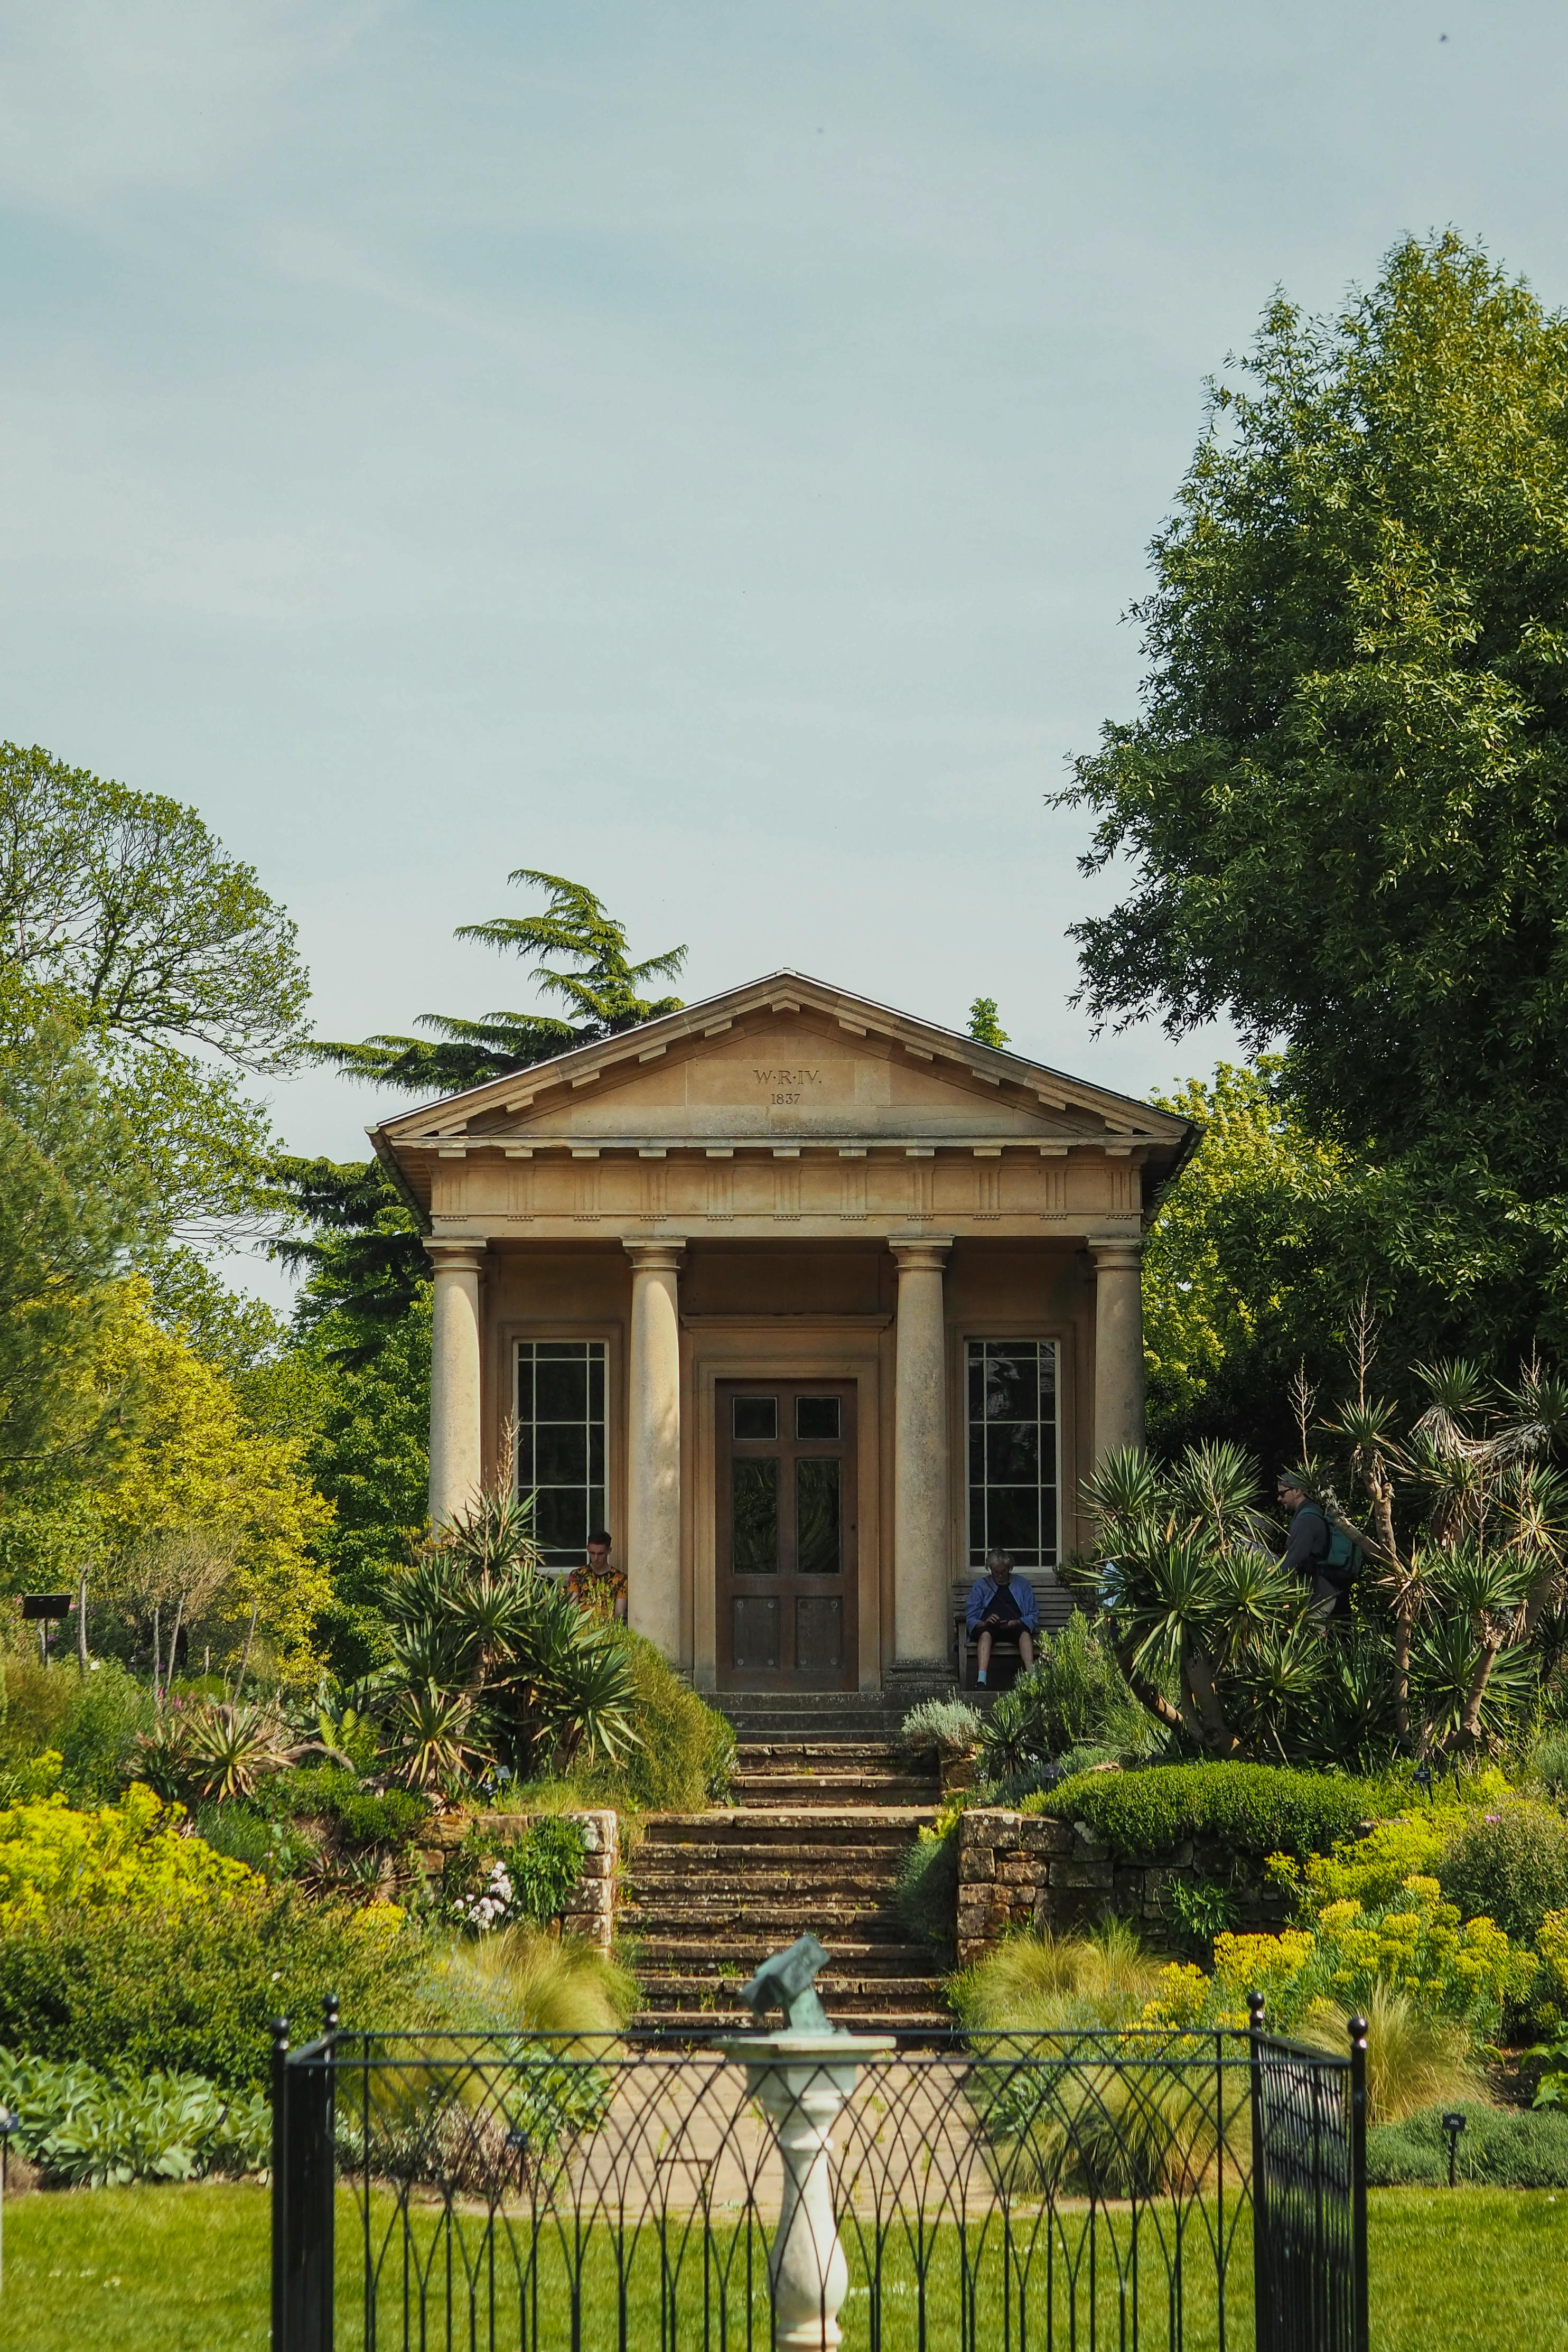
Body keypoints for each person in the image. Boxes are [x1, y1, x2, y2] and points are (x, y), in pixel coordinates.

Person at [1276, 1477, 1348, 1623]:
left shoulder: (1305, 1521)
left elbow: (1292, 1563)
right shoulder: (1315, 1513)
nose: (1279, 1498)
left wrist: (1268, 1585)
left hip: (1318, 1597)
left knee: (1306, 1641)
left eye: (1282, 1493)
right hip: (1325, 1593)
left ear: (1297, 1491)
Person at [965, 1547, 1038, 1685]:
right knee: (985, 1635)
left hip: (1015, 1626)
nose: (999, 1575)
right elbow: (971, 1617)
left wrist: (1018, 1622)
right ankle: (981, 1680)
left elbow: (1033, 1615)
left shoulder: (1022, 1585)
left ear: (1009, 1569)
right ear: (990, 1570)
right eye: (996, 1572)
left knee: (1025, 1634)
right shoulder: (981, 1586)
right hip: (989, 1627)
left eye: (1003, 1572)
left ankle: (1032, 1677)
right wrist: (984, 1622)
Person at [566, 1529, 628, 1622]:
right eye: (592, 1553)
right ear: (588, 1549)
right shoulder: (577, 1576)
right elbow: (572, 1609)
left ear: (609, 1551)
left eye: (600, 1554)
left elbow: (619, 1614)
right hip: (581, 1628)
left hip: (608, 1628)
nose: (596, 1558)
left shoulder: (620, 1579)